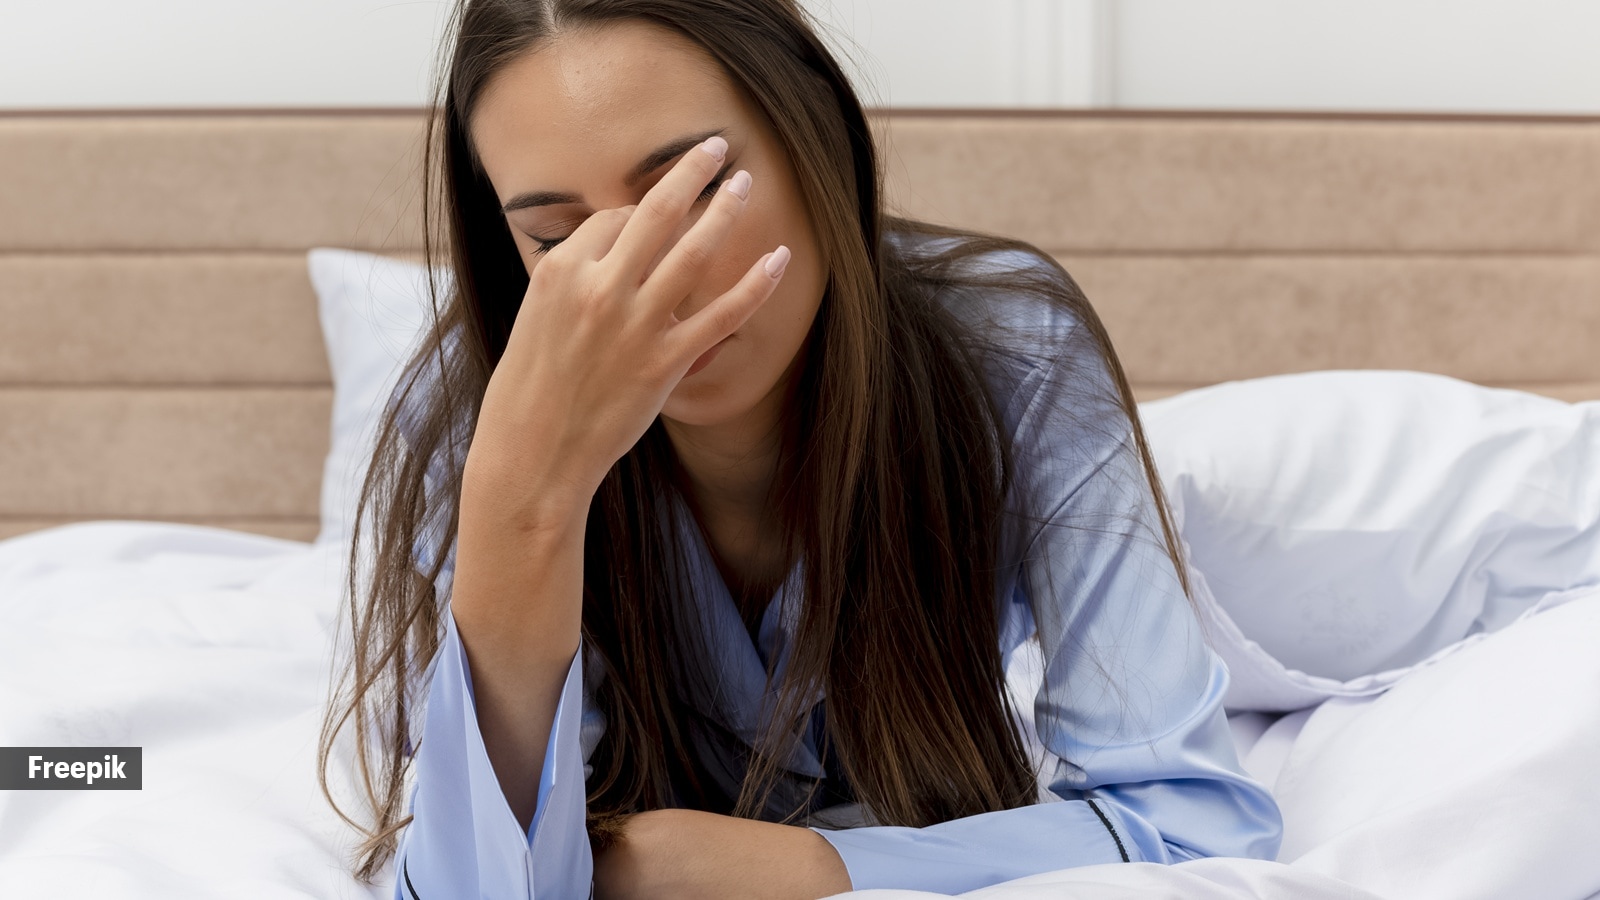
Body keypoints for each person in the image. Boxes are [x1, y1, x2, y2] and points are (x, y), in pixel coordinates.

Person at [317, 1, 1285, 897]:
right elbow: (474, 887)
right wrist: (528, 504)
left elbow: (1190, 826)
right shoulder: (468, 427)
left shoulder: (1015, 351)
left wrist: (793, 864)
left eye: (696, 192)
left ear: (809, 132)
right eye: (557, 238)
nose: (651, 283)